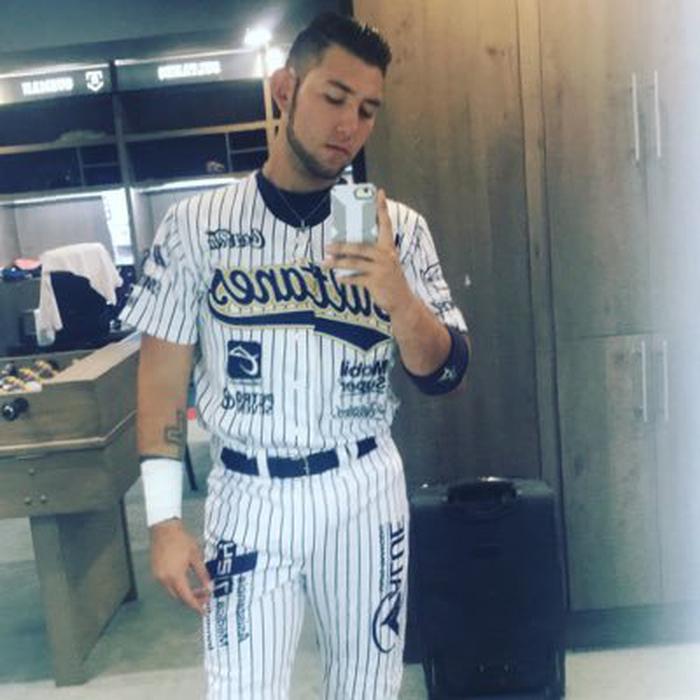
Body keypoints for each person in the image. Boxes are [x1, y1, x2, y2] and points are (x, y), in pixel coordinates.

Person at [121, 11, 470, 700]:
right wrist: (163, 521)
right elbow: (161, 378)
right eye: (334, 97)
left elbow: (448, 373)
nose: (349, 126)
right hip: (248, 493)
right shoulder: (196, 226)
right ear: (285, 90)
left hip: (364, 487)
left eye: (367, 110)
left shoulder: (399, 230)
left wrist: (397, 294)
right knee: (241, 690)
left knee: (366, 686)